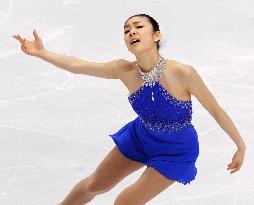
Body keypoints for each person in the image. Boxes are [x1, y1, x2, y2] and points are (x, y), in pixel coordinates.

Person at [13, 13, 246, 205]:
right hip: (140, 138)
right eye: (126, 30)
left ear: (156, 35)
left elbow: (215, 109)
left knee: (125, 203)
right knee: (95, 184)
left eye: (138, 26)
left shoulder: (183, 73)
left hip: (175, 152)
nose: (131, 31)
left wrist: (240, 145)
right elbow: (78, 66)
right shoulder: (124, 70)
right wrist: (42, 53)